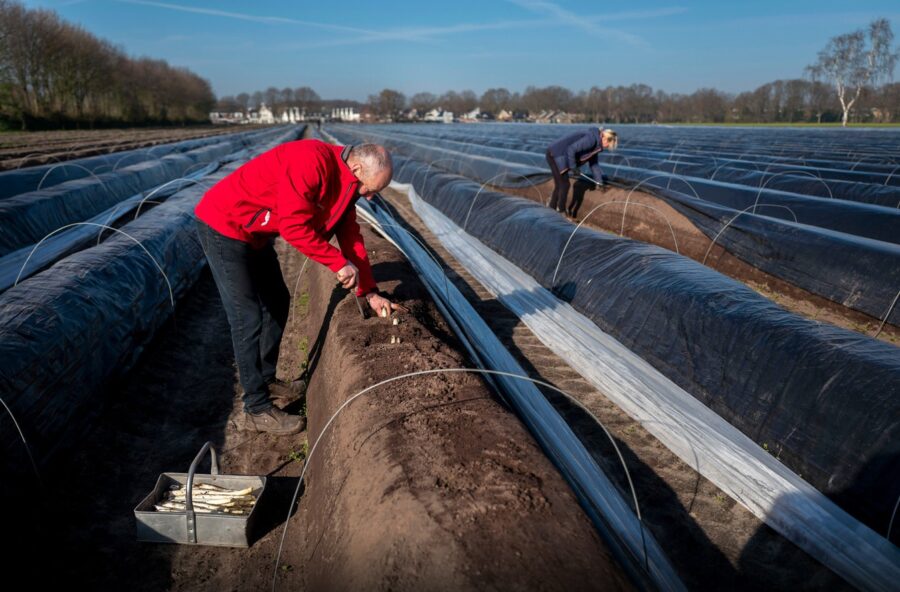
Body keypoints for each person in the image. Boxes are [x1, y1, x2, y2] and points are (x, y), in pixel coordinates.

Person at [194, 140, 403, 435]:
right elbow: (294, 228)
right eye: (371, 189)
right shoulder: (311, 162)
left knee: (278, 301)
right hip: (225, 225)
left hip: (254, 232)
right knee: (247, 317)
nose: (369, 197)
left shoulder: (347, 183)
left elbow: (350, 234)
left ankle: (266, 380)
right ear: (356, 168)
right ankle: (256, 408)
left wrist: (368, 291)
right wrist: (336, 262)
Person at [545, 128, 618, 216]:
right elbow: (571, 149)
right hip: (556, 154)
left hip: (555, 153)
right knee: (564, 184)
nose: (607, 147)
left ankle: (551, 208)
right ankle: (561, 211)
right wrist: (573, 167)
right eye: (608, 145)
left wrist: (599, 182)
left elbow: (594, 165)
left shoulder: (595, 143)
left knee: (560, 184)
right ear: (605, 139)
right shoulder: (591, 139)